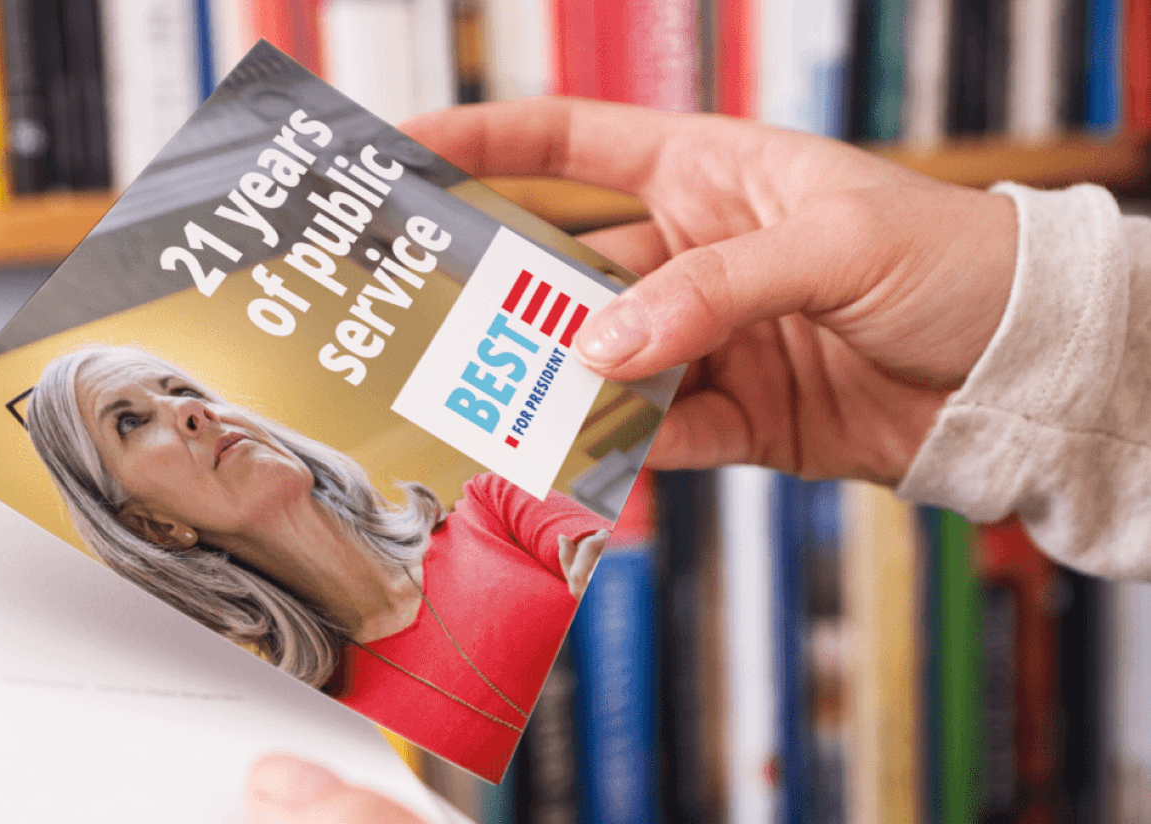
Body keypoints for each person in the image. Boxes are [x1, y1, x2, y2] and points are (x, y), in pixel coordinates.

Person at [242, 95, 1151, 823]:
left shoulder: (474, 512)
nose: (195, 415)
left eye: (184, 394)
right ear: (167, 530)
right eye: (156, 415)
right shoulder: (300, 658)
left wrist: (1065, 337)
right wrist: (1070, 353)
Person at [22, 344, 610, 781]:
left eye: (180, 389)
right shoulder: (307, 728)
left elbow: (632, 587)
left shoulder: (498, 505)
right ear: (152, 527)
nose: (191, 410)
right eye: (131, 421)